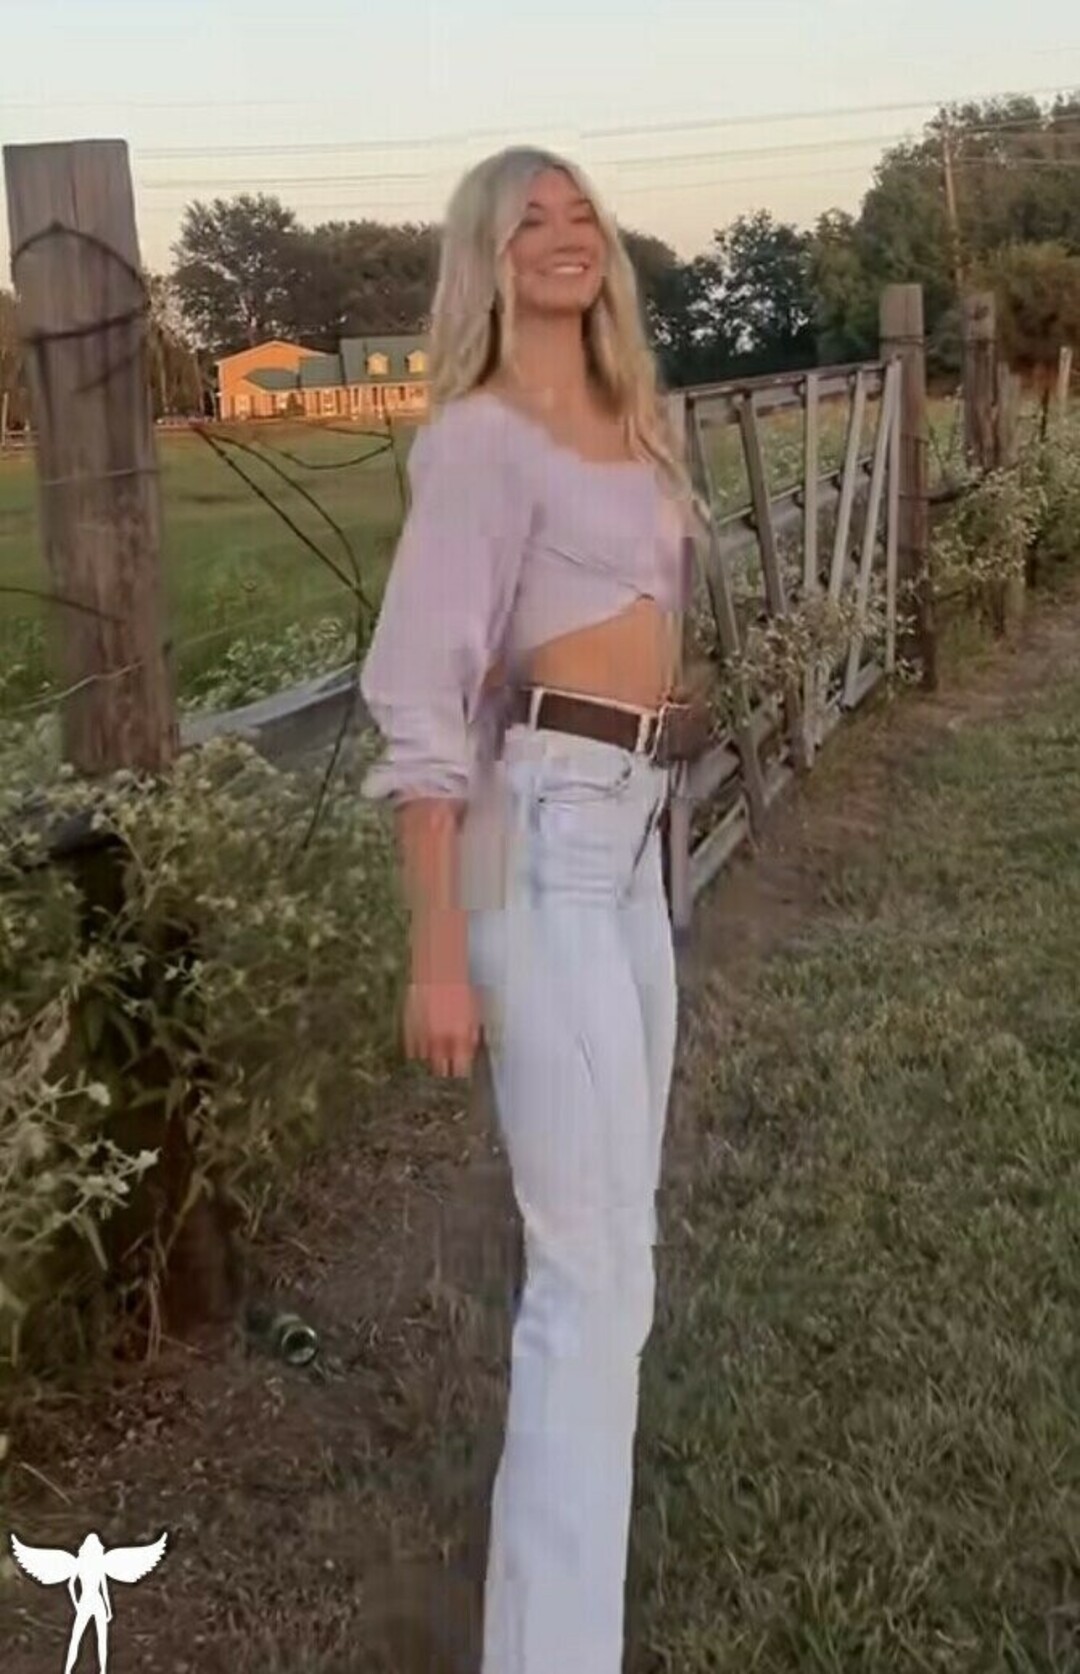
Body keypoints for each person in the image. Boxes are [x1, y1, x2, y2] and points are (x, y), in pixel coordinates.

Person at [360, 145, 707, 1674]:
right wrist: (439, 944)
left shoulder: (637, 425)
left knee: (621, 1260)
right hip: (544, 844)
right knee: (587, 1275)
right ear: (486, 262)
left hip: (627, 842)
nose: (563, 234)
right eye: (528, 220)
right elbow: (423, 693)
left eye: (580, 213)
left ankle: (556, 1633)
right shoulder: (479, 441)